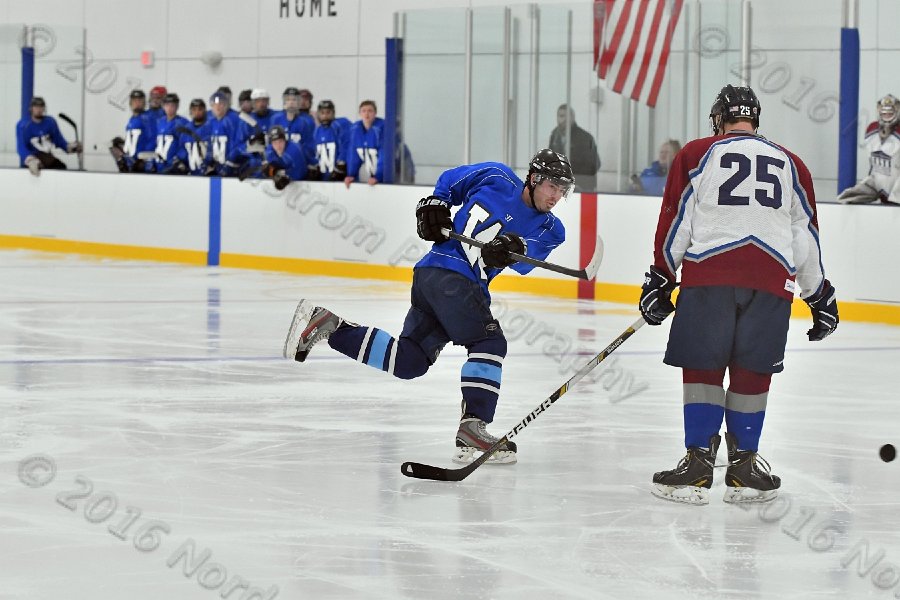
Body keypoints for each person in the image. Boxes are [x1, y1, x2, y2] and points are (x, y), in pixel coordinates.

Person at [281, 149, 573, 464]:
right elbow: (449, 182)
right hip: (447, 275)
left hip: (441, 282)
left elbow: (528, 258)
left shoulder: (552, 229)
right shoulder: (496, 175)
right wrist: (436, 205)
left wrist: (513, 247)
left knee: (410, 361)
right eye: (552, 187)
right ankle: (473, 429)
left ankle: (328, 326)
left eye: (562, 190)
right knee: (489, 341)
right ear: (534, 178)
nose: (556, 196)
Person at [640, 85, 839, 506]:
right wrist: (818, 294)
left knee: (702, 369)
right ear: (755, 120)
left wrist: (661, 275)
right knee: (752, 372)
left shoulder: (696, 154)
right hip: (770, 283)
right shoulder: (793, 164)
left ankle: (697, 464)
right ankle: (744, 466)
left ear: (718, 119)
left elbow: (676, 219)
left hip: (709, 275)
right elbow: (804, 237)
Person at [837, 94, 900, 205]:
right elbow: (874, 167)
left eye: (890, 113)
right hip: (878, 186)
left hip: (896, 193)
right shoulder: (872, 130)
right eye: (884, 113)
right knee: (846, 198)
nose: (887, 116)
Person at [15, 96, 80, 176]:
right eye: (36, 106)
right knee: (30, 174)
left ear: (44, 108)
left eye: (41, 106)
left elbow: (59, 140)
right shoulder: (23, 125)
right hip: (33, 158)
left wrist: (70, 147)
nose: (38, 109)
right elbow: (21, 147)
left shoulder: (50, 122)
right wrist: (30, 159)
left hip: (47, 157)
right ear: (31, 108)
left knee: (61, 168)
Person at [548, 104, 600, 192]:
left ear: (572, 117)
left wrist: (576, 180)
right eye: (560, 116)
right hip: (559, 189)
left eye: (565, 116)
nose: (562, 120)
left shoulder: (585, 137)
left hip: (582, 189)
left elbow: (595, 164)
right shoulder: (555, 135)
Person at [109, 89, 157, 173]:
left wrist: (142, 159)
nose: (137, 103)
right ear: (130, 103)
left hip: (142, 164)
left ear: (144, 103)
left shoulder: (147, 118)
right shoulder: (132, 119)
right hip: (131, 162)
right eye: (134, 100)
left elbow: (153, 140)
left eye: (140, 100)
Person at [271, 87, 317, 169]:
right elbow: (270, 144)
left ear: (299, 102)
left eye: (294, 100)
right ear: (284, 102)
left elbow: (309, 147)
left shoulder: (307, 121)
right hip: (278, 163)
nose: (291, 102)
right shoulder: (276, 119)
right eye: (288, 99)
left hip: (299, 164)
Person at [344, 100, 384, 188]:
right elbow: (353, 155)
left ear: (375, 113)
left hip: (391, 175)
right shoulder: (355, 130)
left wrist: (379, 176)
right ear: (360, 113)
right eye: (364, 111)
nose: (367, 114)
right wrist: (351, 174)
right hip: (371, 174)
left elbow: (384, 155)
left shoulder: (381, 129)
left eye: (370, 111)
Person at [205, 90, 246, 177]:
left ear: (226, 106)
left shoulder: (233, 120)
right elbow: (209, 144)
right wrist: (208, 161)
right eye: (215, 105)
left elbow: (238, 144)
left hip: (232, 168)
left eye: (221, 104)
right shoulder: (210, 122)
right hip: (217, 167)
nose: (218, 107)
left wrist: (230, 162)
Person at [310, 100, 349, 181]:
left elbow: (346, 145)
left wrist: (341, 165)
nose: (325, 116)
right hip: (323, 179)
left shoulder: (339, 125)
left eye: (328, 112)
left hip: (340, 179)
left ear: (333, 113)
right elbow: (315, 153)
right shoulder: (317, 131)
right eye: (322, 113)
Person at [154, 93, 190, 174]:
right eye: (167, 105)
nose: (169, 108)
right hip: (159, 164)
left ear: (177, 107)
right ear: (163, 106)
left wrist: (179, 159)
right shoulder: (159, 121)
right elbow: (156, 142)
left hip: (173, 166)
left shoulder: (182, 123)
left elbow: (187, 144)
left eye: (172, 105)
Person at [261, 125, 306, 189]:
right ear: (271, 144)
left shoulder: (294, 150)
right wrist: (272, 173)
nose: (278, 146)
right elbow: (271, 169)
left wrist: (288, 176)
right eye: (275, 143)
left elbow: (301, 172)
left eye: (280, 141)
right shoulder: (269, 151)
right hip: (286, 170)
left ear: (285, 140)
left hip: (302, 180)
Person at [182, 98, 211, 175]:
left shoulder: (210, 128)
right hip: (190, 175)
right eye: (194, 109)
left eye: (200, 109)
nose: (197, 112)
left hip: (208, 174)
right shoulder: (186, 130)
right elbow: (182, 151)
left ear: (204, 111)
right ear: (190, 111)